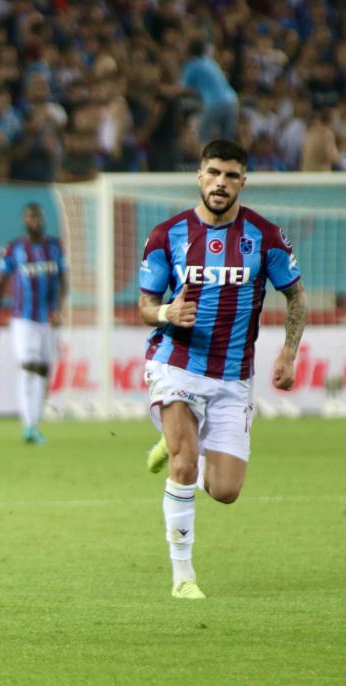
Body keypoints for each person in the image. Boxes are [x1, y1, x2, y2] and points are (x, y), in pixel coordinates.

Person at [139, 139, 306, 599]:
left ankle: (178, 440)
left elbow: (296, 296)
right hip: (176, 365)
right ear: (199, 176)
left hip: (233, 375)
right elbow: (145, 306)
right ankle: (183, 577)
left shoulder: (265, 236)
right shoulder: (168, 234)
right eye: (213, 173)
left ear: (242, 182)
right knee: (183, 465)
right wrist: (166, 313)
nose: (220, 183)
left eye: (231, 176)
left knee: (226, 490)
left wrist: (289, 352)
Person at [0, 203, 68, 444]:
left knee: (43, 369)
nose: (34, 221)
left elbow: (63, 280)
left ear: (43, 219)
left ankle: (34, 424)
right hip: (23, 319)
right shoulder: (14, 248)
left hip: (48, 319)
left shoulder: (55, 247)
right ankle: (28, 425)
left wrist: (59, 308)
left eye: (37, 216)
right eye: (29, 217)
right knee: (28, 365)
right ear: (24, 221)